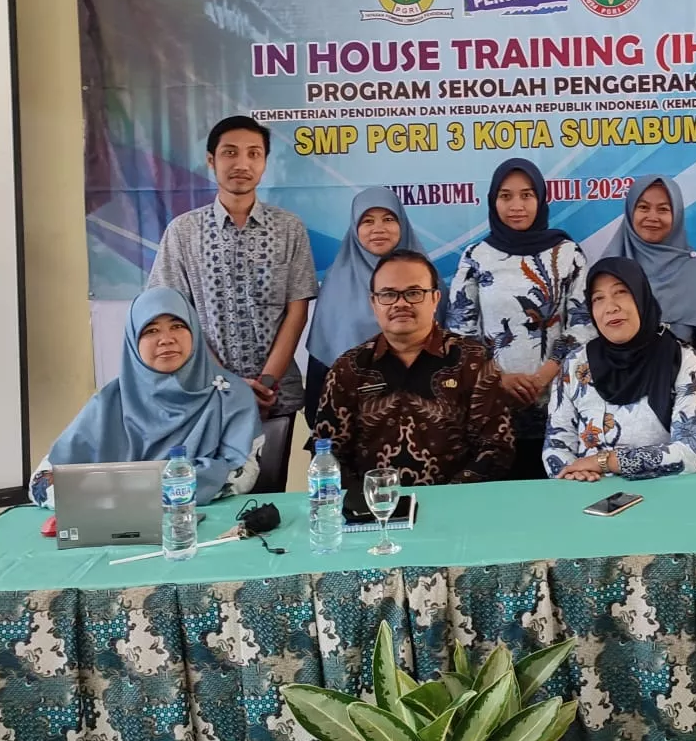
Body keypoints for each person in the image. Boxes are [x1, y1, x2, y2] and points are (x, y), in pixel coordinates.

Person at [148, 115, 318, 419]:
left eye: (254, 153)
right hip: (206, 392)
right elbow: (174, 315)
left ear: (264, 163)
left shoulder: (289, 228)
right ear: (211, 160)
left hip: (274, 394)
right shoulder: (183, 231)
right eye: (230, 152)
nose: (242, 163)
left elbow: (297, 313)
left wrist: (266, 383)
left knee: (272, 454)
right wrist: (226, 383)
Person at [28, 287, 262, 508]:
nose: (166, 339)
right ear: (133, 341)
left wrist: (125, 488)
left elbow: (242, 474)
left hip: (205, 522)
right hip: (121, 526)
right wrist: (136, 494)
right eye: (151, 330)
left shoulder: (230, 395)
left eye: (178, 326)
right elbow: (41, 482)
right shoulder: (110, 402)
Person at [313, 249, 514, 486]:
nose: (401, 303)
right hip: (372, 504)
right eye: (388, 294)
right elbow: (327, 453)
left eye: (414, 293)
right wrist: (366, 500)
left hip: (459, 502)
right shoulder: (348, 368)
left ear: (435, 298)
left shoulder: (474, 360)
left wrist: (452, 497)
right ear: (374, 303)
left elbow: (495, 448)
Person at [449, 158, 593, 479]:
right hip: (492, 405)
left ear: (540, 199)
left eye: (527, 195)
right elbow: (460, 334)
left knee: (558, 495)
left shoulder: (567, 254)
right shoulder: (476, 257)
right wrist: (498, 378)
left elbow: (582, 324)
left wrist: (544, 376)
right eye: (506, 196)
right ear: (493, 201)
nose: (517, 206)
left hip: (558, 401)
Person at [544, 257, 696, 481]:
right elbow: (556, 444)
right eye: (598, 298)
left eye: (621, 292)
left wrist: (606, 462)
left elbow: (692, 452)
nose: (610, 308)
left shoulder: (682, 360)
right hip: (586, 493)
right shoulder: (575, 363)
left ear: (641, 296)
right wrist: (575, 476)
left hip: (664, 494)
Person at [604, 174, 696, 467]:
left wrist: (674, 380)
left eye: (663, 209)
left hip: (686, 392)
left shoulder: (695, 268)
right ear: (630, 211)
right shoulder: (609, 269)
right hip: (621, 393)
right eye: (643, 207)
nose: (653, 217)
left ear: (676, 215)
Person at [302, 187, 445, 431]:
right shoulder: (337, 283)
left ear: (402, 224)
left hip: (425, 420)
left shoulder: (428, 278)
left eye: (388, 219)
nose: (378, 229)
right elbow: (322, 361)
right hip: (353, 419)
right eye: (367, 221)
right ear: (354, 228)